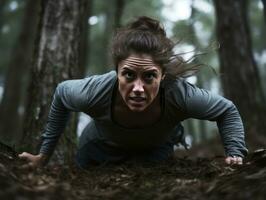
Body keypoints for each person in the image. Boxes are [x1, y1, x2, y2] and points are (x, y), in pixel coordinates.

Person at [19, 16, 248, 169]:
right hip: (98, 149)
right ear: (116, 71)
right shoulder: (94, 91)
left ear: (162, 76)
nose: (138, 88)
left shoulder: (179, 94)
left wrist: (235, 152)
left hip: (156, 151)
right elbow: (61, 94)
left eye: (149, 77)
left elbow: (226, 110)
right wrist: (43, 156)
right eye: (128, 75)